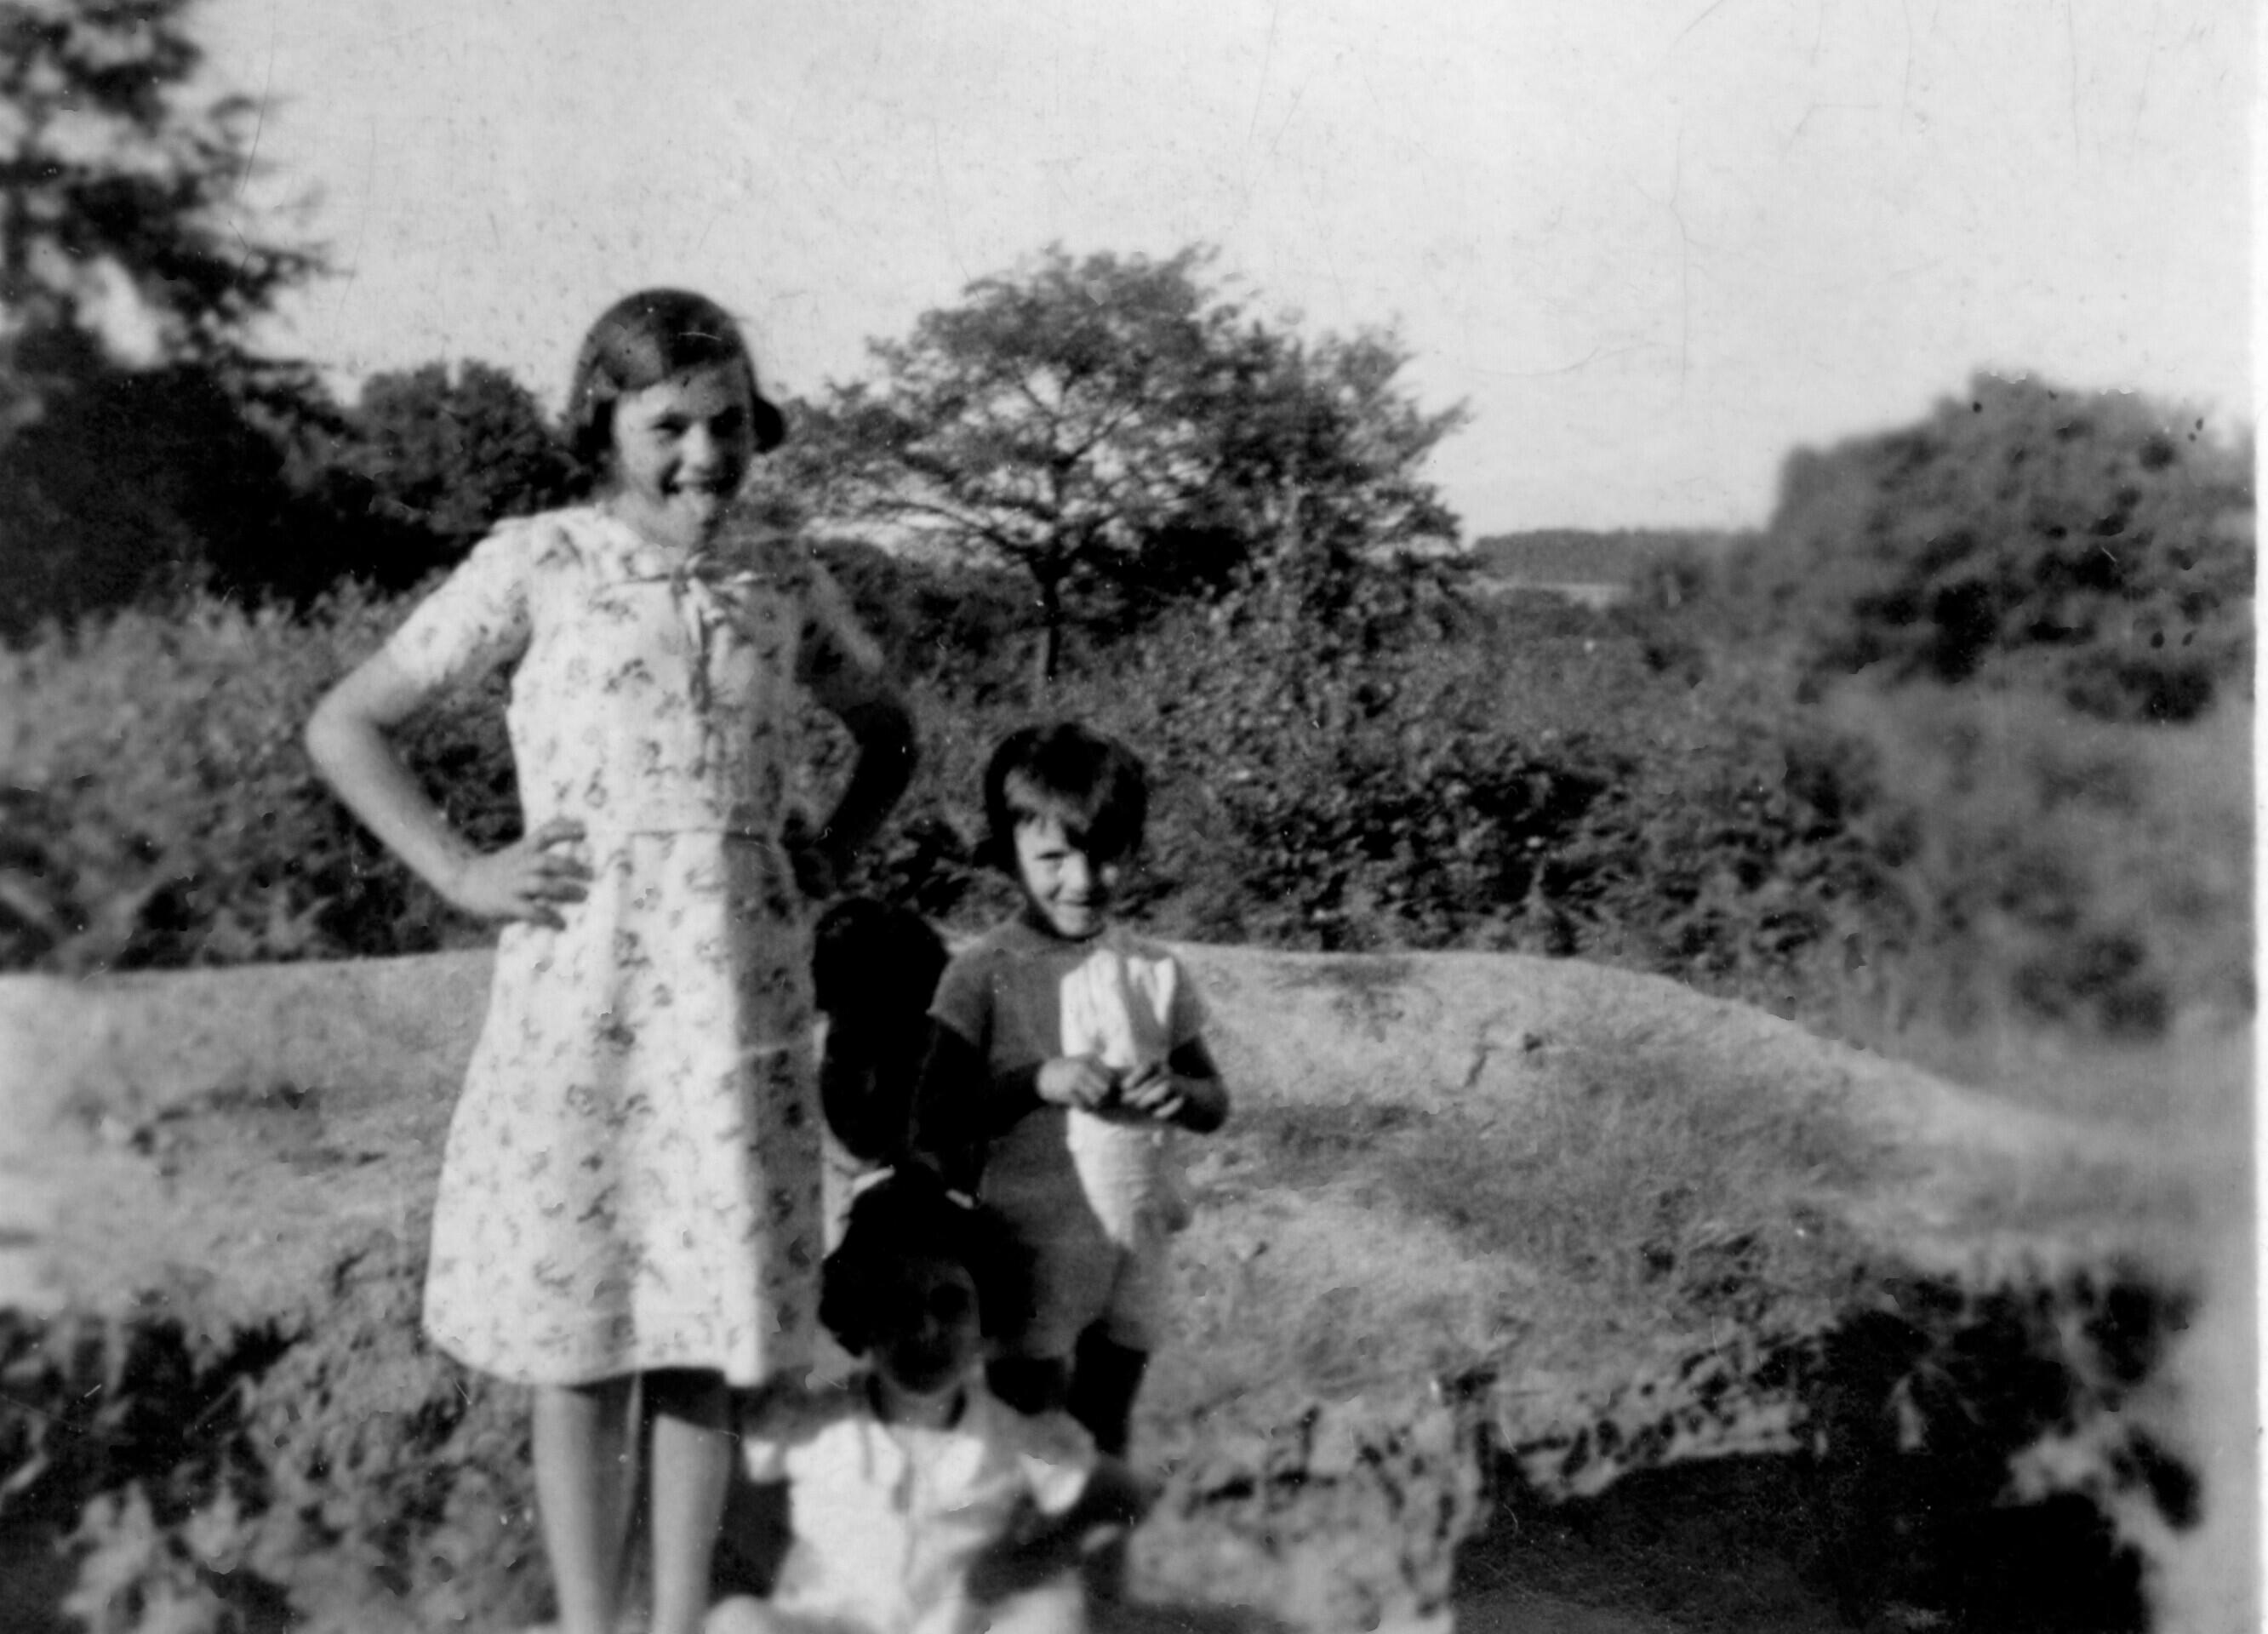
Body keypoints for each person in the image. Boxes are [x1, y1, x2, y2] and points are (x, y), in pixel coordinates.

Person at [303, 288, 915, 1634]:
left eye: (729, 424)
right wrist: (461, 871)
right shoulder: (540, 561)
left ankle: (677, 1620)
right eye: (670, 426)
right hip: (581, 1008)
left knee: (701, 1332)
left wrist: (831, 848)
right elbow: (347, 723)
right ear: (604, 424)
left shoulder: (783, 578)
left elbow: (890, 733)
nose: (706, 455)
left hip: (738, 1007)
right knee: (578, 1340)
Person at [909, 723, 1228, 1465]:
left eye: (1104, 855)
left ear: (1133, 852)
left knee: (1107, 1423)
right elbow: (933, 1114)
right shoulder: (983, 971)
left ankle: (1098, 1540)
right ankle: (1023, 1537)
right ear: (1006, 854)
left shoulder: (1155, 971)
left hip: (1135, 1243)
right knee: (1028, 1428)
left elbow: (1215, 1102)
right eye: (1053, 858)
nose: (1081, 881)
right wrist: (1034, 1082)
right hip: (1029, 1249)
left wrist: (1177, 1092)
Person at [708, 1168, 1151, 1634]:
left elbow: (1123, 1496)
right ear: (862, 1320)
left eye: (950, 1304)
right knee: (738, 1621)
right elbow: (727, 1494)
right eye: (898, 1306)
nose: (925, 1330)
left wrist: (1024, 1563)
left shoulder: (1015, 1437)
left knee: (1050, 1617)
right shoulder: (811, 1425)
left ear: (986, 1319)